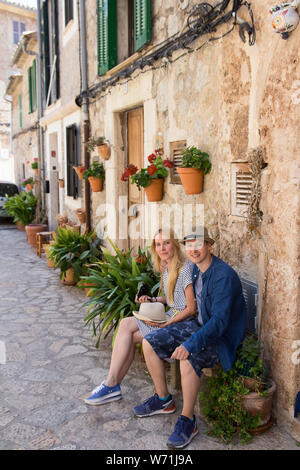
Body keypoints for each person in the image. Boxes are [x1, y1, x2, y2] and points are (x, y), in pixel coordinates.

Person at [133, 227, 247, 449]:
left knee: (187, 358)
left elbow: (219, 323)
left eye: (198, 244)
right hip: (199, 327)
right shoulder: (196, 270)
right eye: (190, 245)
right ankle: (163, 399)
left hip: (220, 338)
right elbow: (188, 306)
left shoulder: (222, 275)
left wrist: (190, 343)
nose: (193, 250)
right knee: (150, 342)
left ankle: (188, 421)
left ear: (209, 246)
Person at [84, 228, 197, 406]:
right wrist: (151, 299)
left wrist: (167, 322)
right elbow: (170, 299)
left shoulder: (185, 268)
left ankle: (112, 385)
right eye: (158, 244)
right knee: (125, 324)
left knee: (131, 336)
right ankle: (111, 384)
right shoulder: (166, 267)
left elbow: (191, 308)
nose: (162, 248)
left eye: (166, 243)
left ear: (174, 244)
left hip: (181, 322)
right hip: (170, 315)